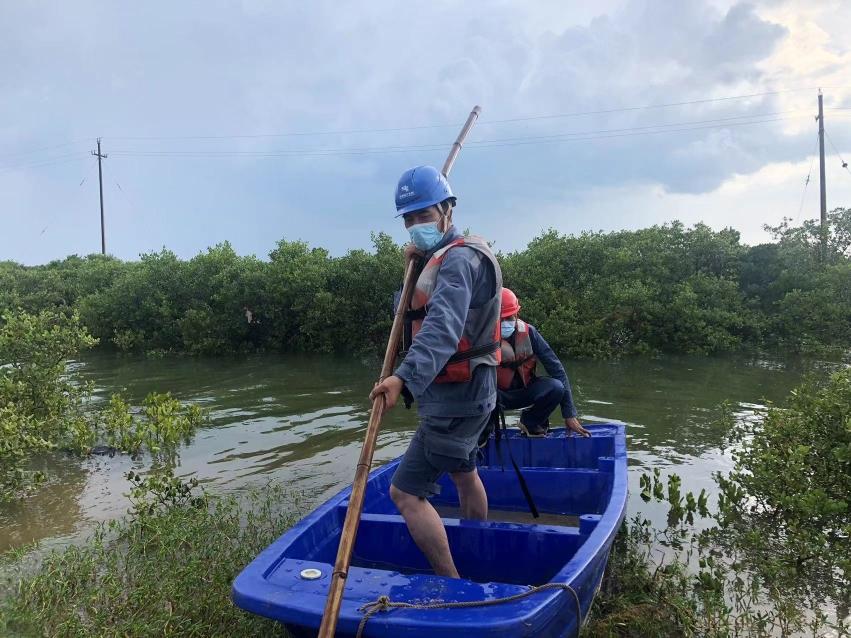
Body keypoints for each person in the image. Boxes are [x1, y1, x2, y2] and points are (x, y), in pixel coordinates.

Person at [369, 165, 502, 579]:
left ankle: (452, 580)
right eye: (408, 219)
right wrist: (420, 257)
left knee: (404, 493)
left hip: (455, 402)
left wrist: (402, 378)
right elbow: (416, 311)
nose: (415, 226)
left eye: (423, 216)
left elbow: (442, 330)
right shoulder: (443, 255)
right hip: (470, 394)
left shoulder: (459, 260)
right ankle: (476, 544)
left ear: (447, 210)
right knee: (465, 473)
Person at [497, 288, 590, 438]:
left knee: (556, 387)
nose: (505, 323)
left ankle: (530, 422)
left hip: (524, 391)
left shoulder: (530, 333)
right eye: (501, 319)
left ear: (517, 314)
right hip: (493, 396)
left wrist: (569, 414)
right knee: (474, 390)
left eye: (509, 318)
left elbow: (557, 369)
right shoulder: (482, 335)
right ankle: (483, 429)